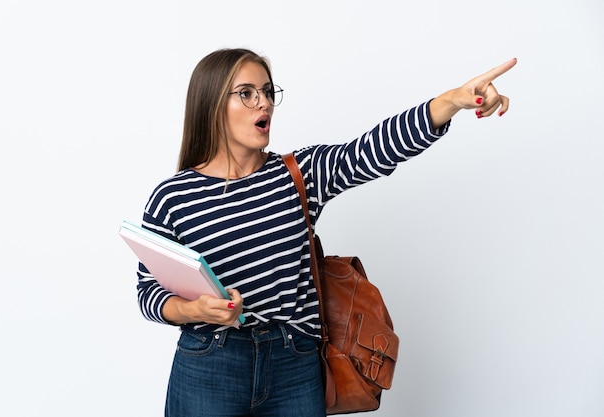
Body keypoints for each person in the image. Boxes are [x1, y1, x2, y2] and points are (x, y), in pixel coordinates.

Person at [135, 48, 516, 417]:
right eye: (247, 94)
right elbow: (149, 291)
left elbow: (372, 150)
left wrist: (450, 101)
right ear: (212, 104)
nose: (263, 103)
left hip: (294, 364)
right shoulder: (174, 196)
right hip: (209, 364)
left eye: (268, 92)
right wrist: (193, 309)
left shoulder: (299, 173)